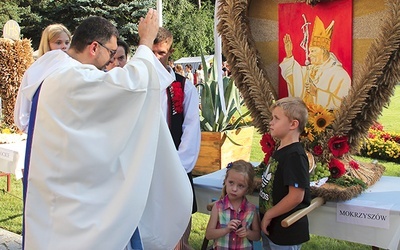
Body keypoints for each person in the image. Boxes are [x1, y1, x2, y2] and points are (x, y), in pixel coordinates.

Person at [15, 9, 192, 250]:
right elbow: (132, 86)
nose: (111, 60)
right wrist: (145, 42)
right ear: (94, 47)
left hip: (53, 188)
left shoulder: (51, 69)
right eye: (110, 52)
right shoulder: (73, 77)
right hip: (73, 204)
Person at [152, 27, 201, 250]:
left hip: (176, 166)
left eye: (161, 53)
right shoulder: (138, 82)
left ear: (170, 51)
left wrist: (179, 168)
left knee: (179, 229)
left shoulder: (183, 86)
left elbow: (191, 129)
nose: (155, 58)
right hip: (147, 167)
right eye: (151, 52)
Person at [259, 97, 311, 249]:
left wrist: (269, 215)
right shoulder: (282, 150)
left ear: (293, 124)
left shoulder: (295, 156)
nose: (271, 122)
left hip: (286, 232)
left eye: (276, 118)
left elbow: (296, 196)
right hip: (273, 228)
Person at [279, 16, 351, 110]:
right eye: (309, 51)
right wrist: (289, 54)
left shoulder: (340, 75)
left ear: (323, 51)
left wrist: (317, 93)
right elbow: (294, 75)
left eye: (313, 51)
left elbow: (342, 104)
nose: (309, 55)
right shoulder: (310, 69)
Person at [205, 160, 261, 249]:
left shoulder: (251, 209)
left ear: (248, 189)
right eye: (231, 182)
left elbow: (257, 236)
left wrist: (247, 232)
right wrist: (226, 230)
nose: (234, 189)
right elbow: (209, 234)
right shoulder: (218, 207)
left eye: (241, 186)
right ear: (225, 181)